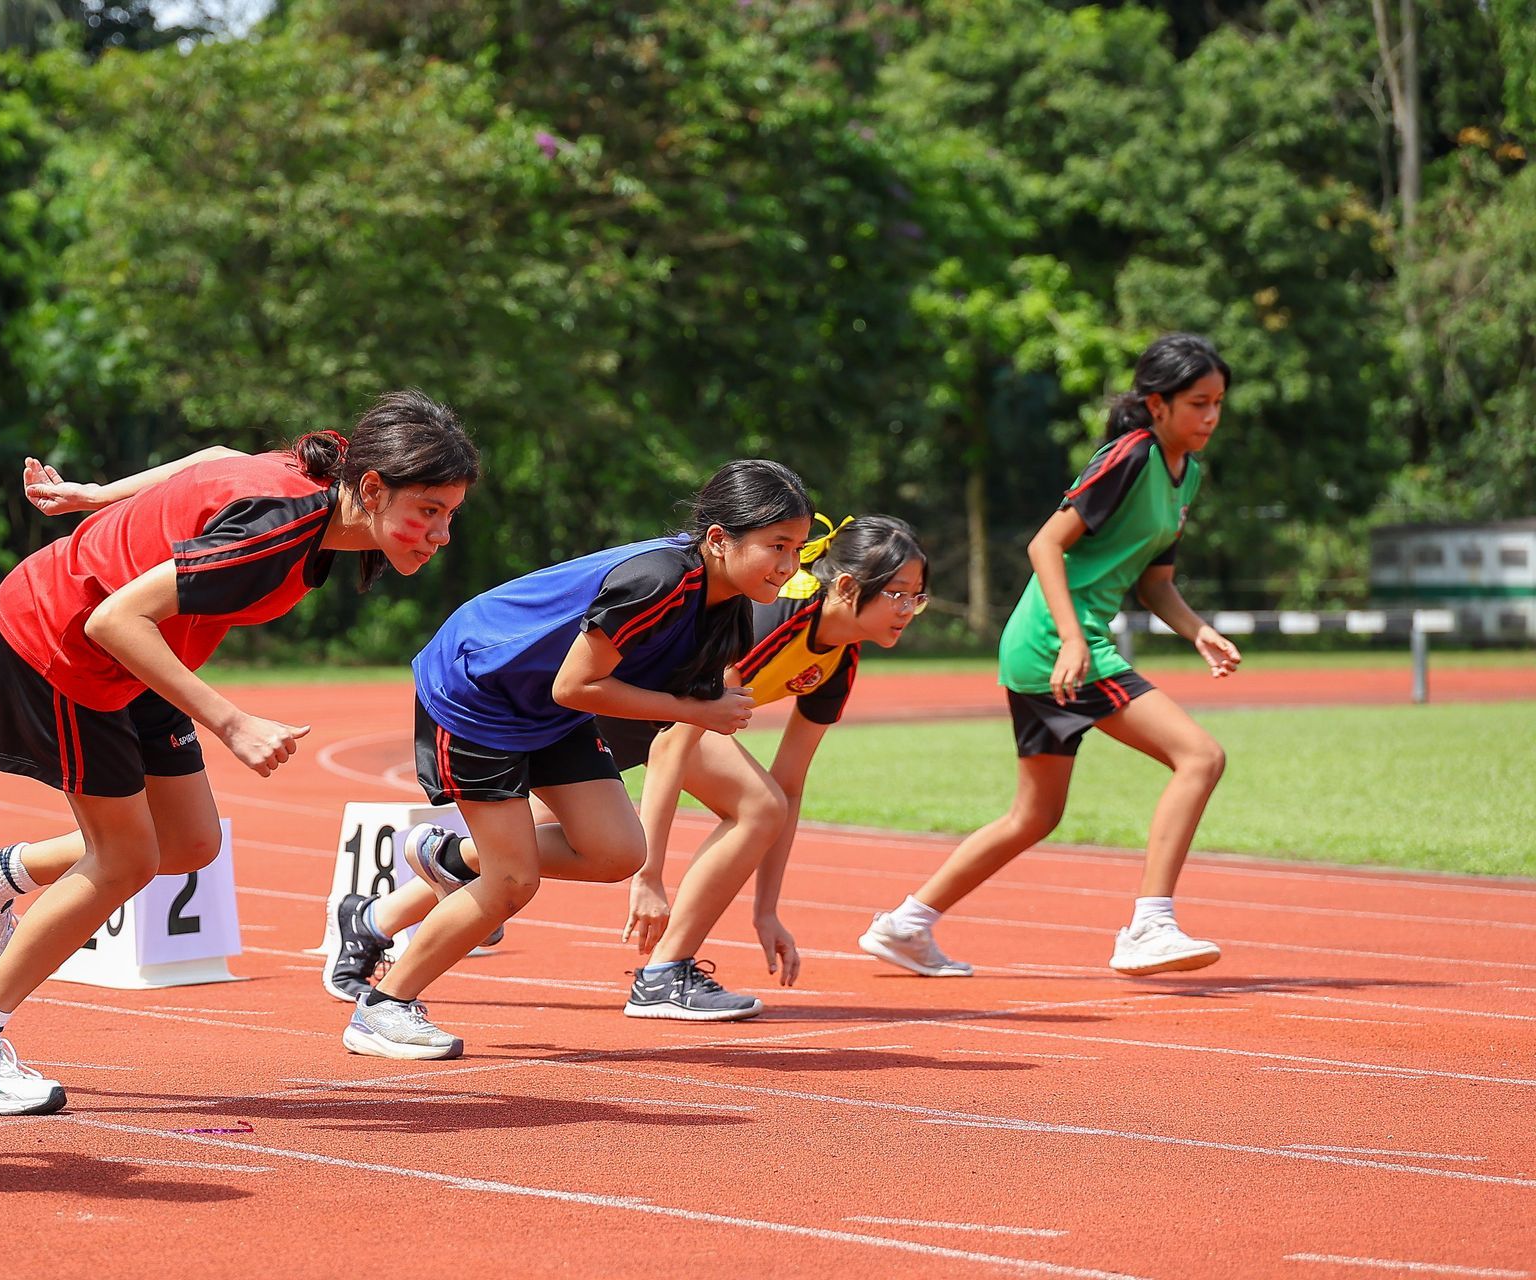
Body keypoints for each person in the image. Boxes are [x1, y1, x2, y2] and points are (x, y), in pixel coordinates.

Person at [0, 390, 477, 1115]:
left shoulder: (316, 472)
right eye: (427, 511)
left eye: (449, 515)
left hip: (134, 650)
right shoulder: (279, 530)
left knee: (186, 842)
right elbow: (114, 618)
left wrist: (95, 496)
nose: (440, 534)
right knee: (123, 859)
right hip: (66, 639)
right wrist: (230, 721)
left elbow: (215, 461)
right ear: (371, 487)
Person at [328, 459, 812, 1060]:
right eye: (778, 546)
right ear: (719, 539)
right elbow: (574, 686)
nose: (791, 566)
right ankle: (384, 1008)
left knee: (616, 851)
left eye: (799, 548)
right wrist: (694, 711)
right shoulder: (659, 582)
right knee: (512, 882)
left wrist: (691, 709)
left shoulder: (727, 616)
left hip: (548, 708)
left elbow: (631, 710)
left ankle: (450, 857)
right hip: (478, 689)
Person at [859, 333, 1240, 979]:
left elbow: (1155, 581)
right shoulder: (1129, 457)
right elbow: (1044, 545)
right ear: (1156, 404)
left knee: (1035, 814)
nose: (1210, 417)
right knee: (1199, 756)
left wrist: (1195, 630)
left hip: (1052, 645)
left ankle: (906, 925)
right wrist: (1070, 638)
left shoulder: (1187, 475)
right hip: (1057, 643)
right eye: (1198, 403)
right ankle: (1149, 925)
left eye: (1218, 404)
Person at [604, 514, 929, 1019]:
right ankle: (664, 976)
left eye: (918, 596)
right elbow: (675, 739)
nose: (909, 609)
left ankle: (447, 859)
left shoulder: (839, 659)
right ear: (846, 585)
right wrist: (647, 875)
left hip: (653, 715)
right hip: (622, 701)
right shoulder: (773, 617)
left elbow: (790, 787)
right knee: (753, 803)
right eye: (898, 593)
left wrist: (766, 910)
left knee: (509, 849)